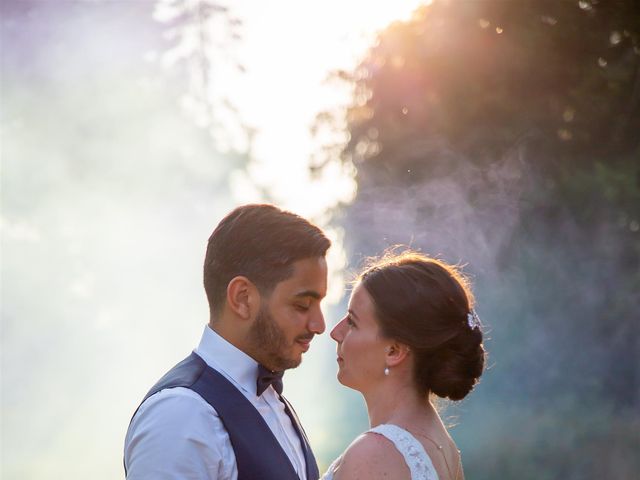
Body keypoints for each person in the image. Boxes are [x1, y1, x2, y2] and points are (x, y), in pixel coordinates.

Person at [124, 204, 331, 480]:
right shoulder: (180, 415)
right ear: (243, 298)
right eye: (302, 305)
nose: (319, 325)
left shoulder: (272, 399)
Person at [323, 250, 485, 480]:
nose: (335, 333)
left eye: (352, 322)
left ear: (394, 351)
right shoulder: (441, 445)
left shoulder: (373, 454)